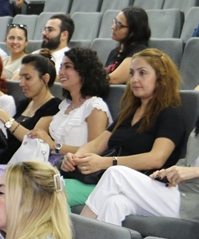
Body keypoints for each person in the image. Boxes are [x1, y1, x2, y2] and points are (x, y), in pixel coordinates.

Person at [83, 54, 199, 226]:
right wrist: (168, 173)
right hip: (179, 191)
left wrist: (198, 172)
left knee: (116, 175)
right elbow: (189, 162)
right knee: (115, 203)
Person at [63, 49, 185, 207]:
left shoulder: (170, 114)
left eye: (142, 73)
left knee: (56, 192)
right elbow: (96, 144)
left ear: (161, 78)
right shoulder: (129, 113)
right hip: (105, 178)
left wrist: (105, 163)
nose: (134, 79)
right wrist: (74, 158)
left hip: (139, 186)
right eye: (132, 73)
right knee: (47, 188)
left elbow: (156, 159)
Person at [29, 47, 111, 158]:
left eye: (67, 67)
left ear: (83, 71)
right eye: (61, 67)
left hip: (75, 167)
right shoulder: (65, 106)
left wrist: (55, 146)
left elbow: (95, 151)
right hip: (51, 162)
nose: (61, 72)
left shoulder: (95, 107)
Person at [0, 54, 62, 163]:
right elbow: (12, 136)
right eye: (20, 77)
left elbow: (33, 139)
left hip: (21, 166)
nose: (21, 83)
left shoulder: (54, 106)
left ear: (45, 79)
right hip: (4, 158)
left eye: (27, 78)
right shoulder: (24, 103)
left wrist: (3, 116)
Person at [104, 7, 150, 85]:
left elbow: (113, 79)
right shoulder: (114, 52)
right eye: (115, 22)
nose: (113, 27)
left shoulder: (139, 53)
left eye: (119, 25)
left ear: (133, 32)